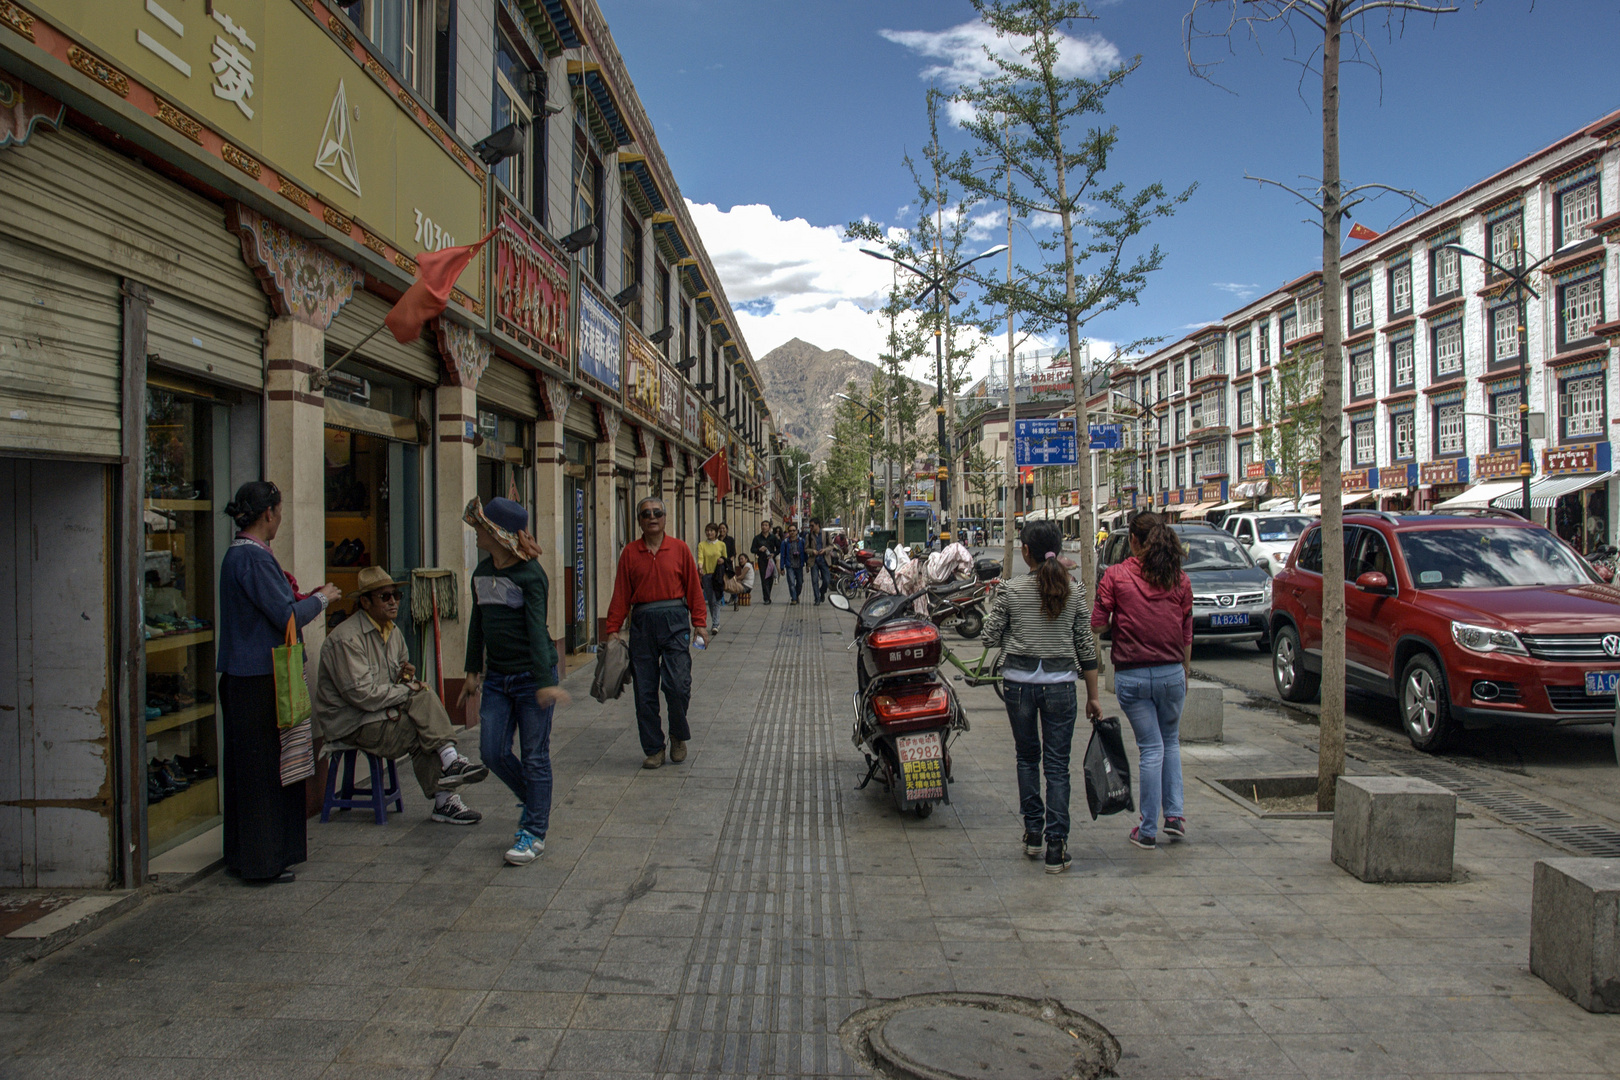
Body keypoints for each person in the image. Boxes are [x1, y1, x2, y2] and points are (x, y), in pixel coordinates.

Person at [216, 481, 341, 884]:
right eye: (279, 511)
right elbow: (285, 616)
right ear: (268, 513)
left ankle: (247, 854)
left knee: (250, 772)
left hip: (245, 676)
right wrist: (322, 599)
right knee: (265, 773)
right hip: (258, 680)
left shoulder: (241, 557)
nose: (281, 519)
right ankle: (263, 860)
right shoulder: (252, 559)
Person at [315, 566, 486, 826]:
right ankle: (446, 786)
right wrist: (407, 689)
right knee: (418, 726)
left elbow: (395, 679)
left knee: (422, 696)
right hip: (353, 721)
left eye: (396, 595)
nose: (393, 601)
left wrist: (406, 677)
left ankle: (448, 770)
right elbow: (362, 696)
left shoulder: (392, 632)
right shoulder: (346, 639)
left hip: (380, 713)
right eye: (385, 597)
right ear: (365, 602)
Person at [982, 522, 1101, 874]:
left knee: (1026, 757)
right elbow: (1085, 646)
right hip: (1062, 685)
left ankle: (1033, 832)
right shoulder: (1074, 591)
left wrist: (1000, 613)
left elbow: (989, 637)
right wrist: (1094, 697)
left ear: (1025, 552)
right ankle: (1056, 846)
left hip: (1018, 684)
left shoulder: (1011, 589)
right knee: (1057, 766)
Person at [458, 497, 569, 867]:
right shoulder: (480, 573)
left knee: (535, 756)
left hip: (531, 678)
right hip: (497, 680)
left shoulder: (531, 575)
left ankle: (534, 832)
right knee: (492, 752)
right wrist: (473, 670)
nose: (475, 534)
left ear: (497, 534)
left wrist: (543, 681)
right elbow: (478, 624)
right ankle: (535, 799)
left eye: (480, 528)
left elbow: (538, 631)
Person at [1092, 511, 1194, 850]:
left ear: (1133, 541)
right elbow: (1186, 632)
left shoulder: (1117, 575)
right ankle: (1175, 816)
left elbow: (1097, 623)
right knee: (1170, 742)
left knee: (1151, 748)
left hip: (1133, 675)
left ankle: (1148, 828)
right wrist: (1185, 672)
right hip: (1172, 672)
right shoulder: (1179, 578)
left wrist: (1121, 617)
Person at [606, 497, 709, 769]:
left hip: (674, 621)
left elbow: (694, 589)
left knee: (678, 685)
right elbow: (621, 594)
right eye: (646, 514)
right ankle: (653, 748)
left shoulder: (680, 549)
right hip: (642, 623)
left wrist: (699, 622)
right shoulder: (629, 553)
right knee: (645, 691)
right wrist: (612, 629)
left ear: (665, 518)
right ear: (639, 520)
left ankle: (677, 734)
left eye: (657, 513)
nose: (652, 517)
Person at [696, 523, 727, 633]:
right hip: (707, 575)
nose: (709, 533)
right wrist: (700, 568)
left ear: (716, 532)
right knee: (710, 599)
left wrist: (722, 560)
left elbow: (725, 559)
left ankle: (715, 624)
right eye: (707, 530)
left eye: (711, 531)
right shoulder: (702, 545)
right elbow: (700, 558)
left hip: (718, 575)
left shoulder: (721, 545)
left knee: (717, 599)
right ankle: (716, 621)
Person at [779, 523, 808, 604]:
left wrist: (807, 564)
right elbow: (783, 555)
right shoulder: (785, 542)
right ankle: (794, 599)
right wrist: (781, 567)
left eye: (793, 530)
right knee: (791, 582)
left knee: (800, 582)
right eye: (790, 531)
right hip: (789, 565)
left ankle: (796, 594)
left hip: (799, 565)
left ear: (797, 531)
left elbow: (805, 553)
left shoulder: (802, 541)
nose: (792, 532)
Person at [751, 519, 779, 604]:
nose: (764, 527)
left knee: (770, 579)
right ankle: (766, 598)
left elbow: (779, 548)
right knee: (764, 579)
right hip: (762, 560)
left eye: (766, 525)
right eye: (763, 525)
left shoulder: (773, 537)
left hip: (770, 560)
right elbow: (752, 549)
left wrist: (773, 554)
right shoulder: (757, 538)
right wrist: (759, 549)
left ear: (769, 527)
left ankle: (768, 595)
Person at [806, 518, 830, 605]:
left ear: (817, 525)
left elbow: (831, 546)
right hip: (814, 561)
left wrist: (825, 550)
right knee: (814, 580)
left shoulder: (826, 534)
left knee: (827, 580)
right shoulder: (809, 536)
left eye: (812, 525)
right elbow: (806, 549)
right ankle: (817, 599)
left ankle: (822, 592)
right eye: (810, 525)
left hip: (824, 560)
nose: (811, 527)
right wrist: (812, 551)